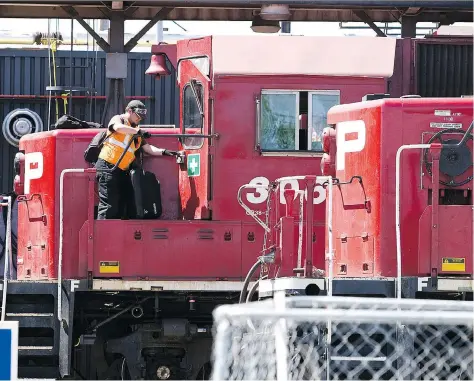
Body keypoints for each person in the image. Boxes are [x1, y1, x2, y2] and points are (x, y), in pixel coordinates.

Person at [95, 100, 178, 220]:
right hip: (108, 167)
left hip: (122, 170)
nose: (140, 119)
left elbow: (147, 148)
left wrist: (164, 151)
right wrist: (138, 131)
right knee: (109, 205)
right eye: (138, 116)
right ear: (130, 111)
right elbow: (116, 127)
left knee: (122, 205)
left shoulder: (136, 130)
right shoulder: (119, 119)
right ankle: (103, 234)